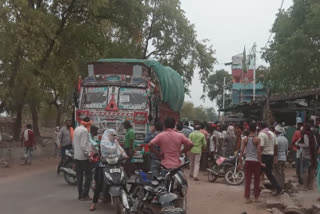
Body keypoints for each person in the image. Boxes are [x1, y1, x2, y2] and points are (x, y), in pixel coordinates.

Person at [90, 129, 128, 211]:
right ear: (108, 135)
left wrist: (124, 155)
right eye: (112, 135)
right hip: (104, 163)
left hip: (115, 163)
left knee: (123, 179)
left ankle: (127, 199)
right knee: (99, 182)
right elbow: (109, 150)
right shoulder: (103, 143)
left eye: (115, 135)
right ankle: (94, 203)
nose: (114, 137)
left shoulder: (115, 142)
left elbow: (120, 149)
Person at [238, 122, 263, 203]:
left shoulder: (245, 139)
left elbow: (241, 151)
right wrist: (260, 162)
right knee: (256, 180)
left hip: (247, 161)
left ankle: (247, 198)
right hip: (255, 162)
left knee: (247, 180)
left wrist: (239, 162)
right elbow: (259, 151)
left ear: (248, 129)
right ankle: (256, 198)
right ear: (256, 129)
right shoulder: (258, 139)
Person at [258, 121, 283, 196]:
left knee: (259, 172)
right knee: (268, 173)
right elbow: (276, 146)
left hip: (264, 156)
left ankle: (257, 189)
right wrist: (275, 156)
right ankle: (278, 188)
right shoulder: (272, 133)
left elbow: (261, 147)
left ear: (259, 126)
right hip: (271, 156)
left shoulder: (261, 134)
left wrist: (258, 157)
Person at [73, 117, 93, 201]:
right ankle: (85, 195)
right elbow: (83, 145)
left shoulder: (76, 129)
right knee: (88, 176)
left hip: (77, 156)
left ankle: (80, 195)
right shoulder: (84, 131)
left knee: (79, 176)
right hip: (83, 157)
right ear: (88, 124)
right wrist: (89, 155)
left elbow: (74, 143)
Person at [298, 123, 317, 190]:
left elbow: (306, 145)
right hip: (313, 156)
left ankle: (305, 187)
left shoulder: (305, 135)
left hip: (306, 156)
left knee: (305, 171)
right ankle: (311, 186)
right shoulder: (313, 136)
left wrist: (299, 145)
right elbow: (316, 145)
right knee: (312, 171)